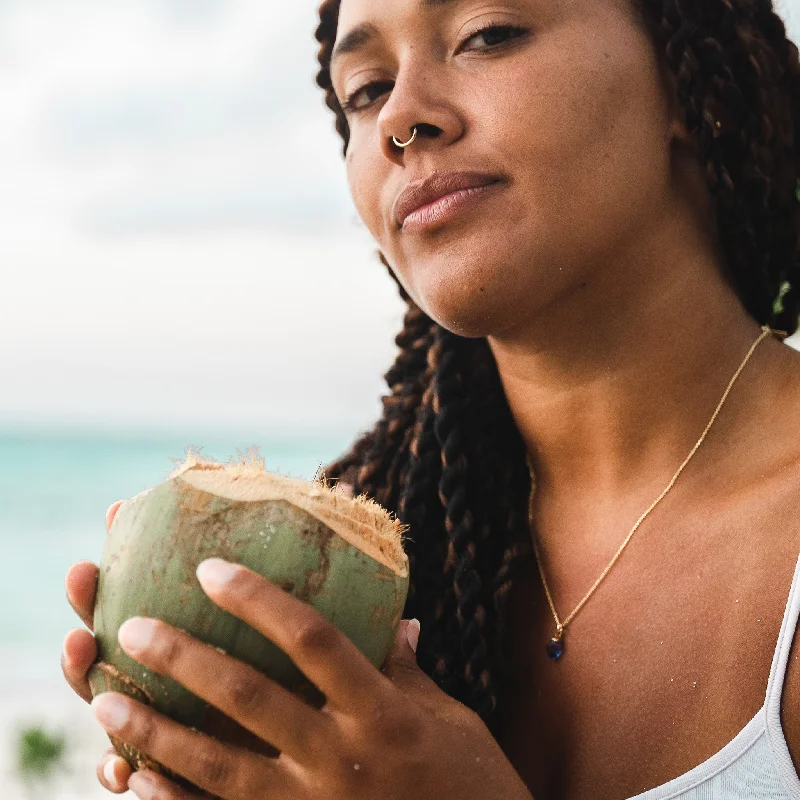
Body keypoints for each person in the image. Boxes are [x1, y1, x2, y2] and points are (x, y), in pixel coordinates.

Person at [62, 0, 800, 797]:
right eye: (367, 89)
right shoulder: (373, 574)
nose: (401, 121)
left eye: (488, 35)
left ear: (686, 87)